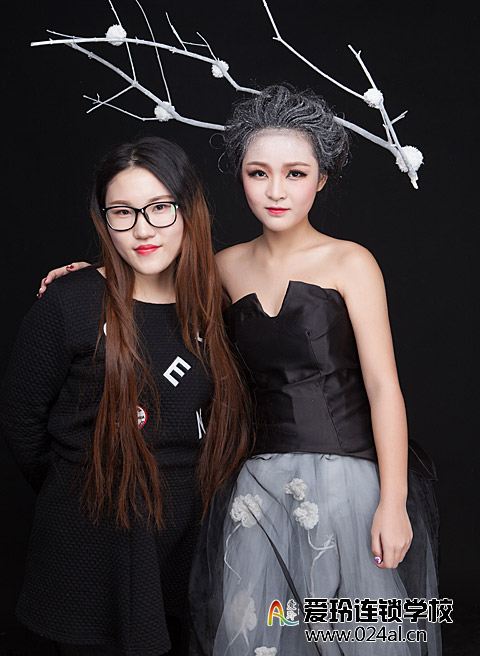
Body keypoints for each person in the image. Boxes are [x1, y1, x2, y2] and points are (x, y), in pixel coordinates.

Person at [37, 86, 440, 655]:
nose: (276, 191)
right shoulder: (222, 267)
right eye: (258, 174)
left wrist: (392, 502)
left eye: (295, 174)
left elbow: (383, 387)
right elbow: (148, 274)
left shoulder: (351, 262)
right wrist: (91, 274)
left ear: (321, 179)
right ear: (241, 177)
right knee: (263, 636)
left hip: (347, 481)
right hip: (257, 485)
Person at [0, 136, 250, 656]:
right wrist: (84, 485)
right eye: (123, 212)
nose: (142, 229)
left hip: (189, 542)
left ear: (188, 209)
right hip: (92, 544)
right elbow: (21, 420)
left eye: (159, 207)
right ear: (104, 219)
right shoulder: (70, 303)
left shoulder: (215, 302)